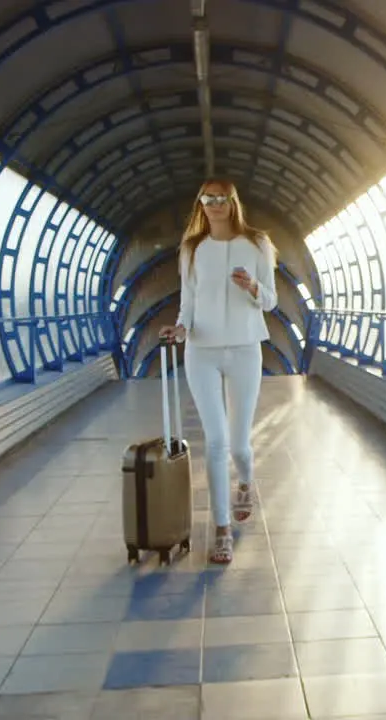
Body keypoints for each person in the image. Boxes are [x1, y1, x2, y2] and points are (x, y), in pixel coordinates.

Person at [159, 179, 277, 564]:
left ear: (232, 201)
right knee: (215, 442)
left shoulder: (257, 243)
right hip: (201, 351)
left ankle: (245, 481)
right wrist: (179, 329)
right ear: (200, 203)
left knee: (240, 444)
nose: (214, 204)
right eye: (207, 198)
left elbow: (271, 301)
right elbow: (187, 302)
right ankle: (222, 530)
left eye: (221, 198)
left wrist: (253, 286)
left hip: (244, 348)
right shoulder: (192, 249)